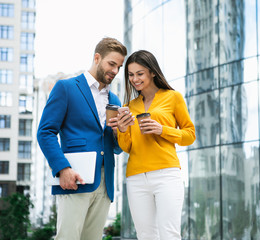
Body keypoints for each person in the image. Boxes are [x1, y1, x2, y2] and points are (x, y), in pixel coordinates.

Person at [37, 37, 127, 240]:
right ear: (97, 58)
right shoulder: (66, 88)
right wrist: (62, 168)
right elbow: (45, 131)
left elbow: (116, 148)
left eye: (119, 67)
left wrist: (120, 132)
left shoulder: (115, 100)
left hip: (105, 183)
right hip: (74, 178)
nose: (115, 70)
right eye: (112, 64)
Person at [113, 50, 196, 239]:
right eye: (131, 75)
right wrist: (123, 130)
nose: (134, 79)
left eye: (139, 74)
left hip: (166, 173)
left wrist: (162, 130)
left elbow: (190, 135)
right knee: (145, 235)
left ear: (152, 72)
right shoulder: (130, 105)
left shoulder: (173, 97)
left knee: (169, 234)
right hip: (136, 178)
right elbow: (127, 147)